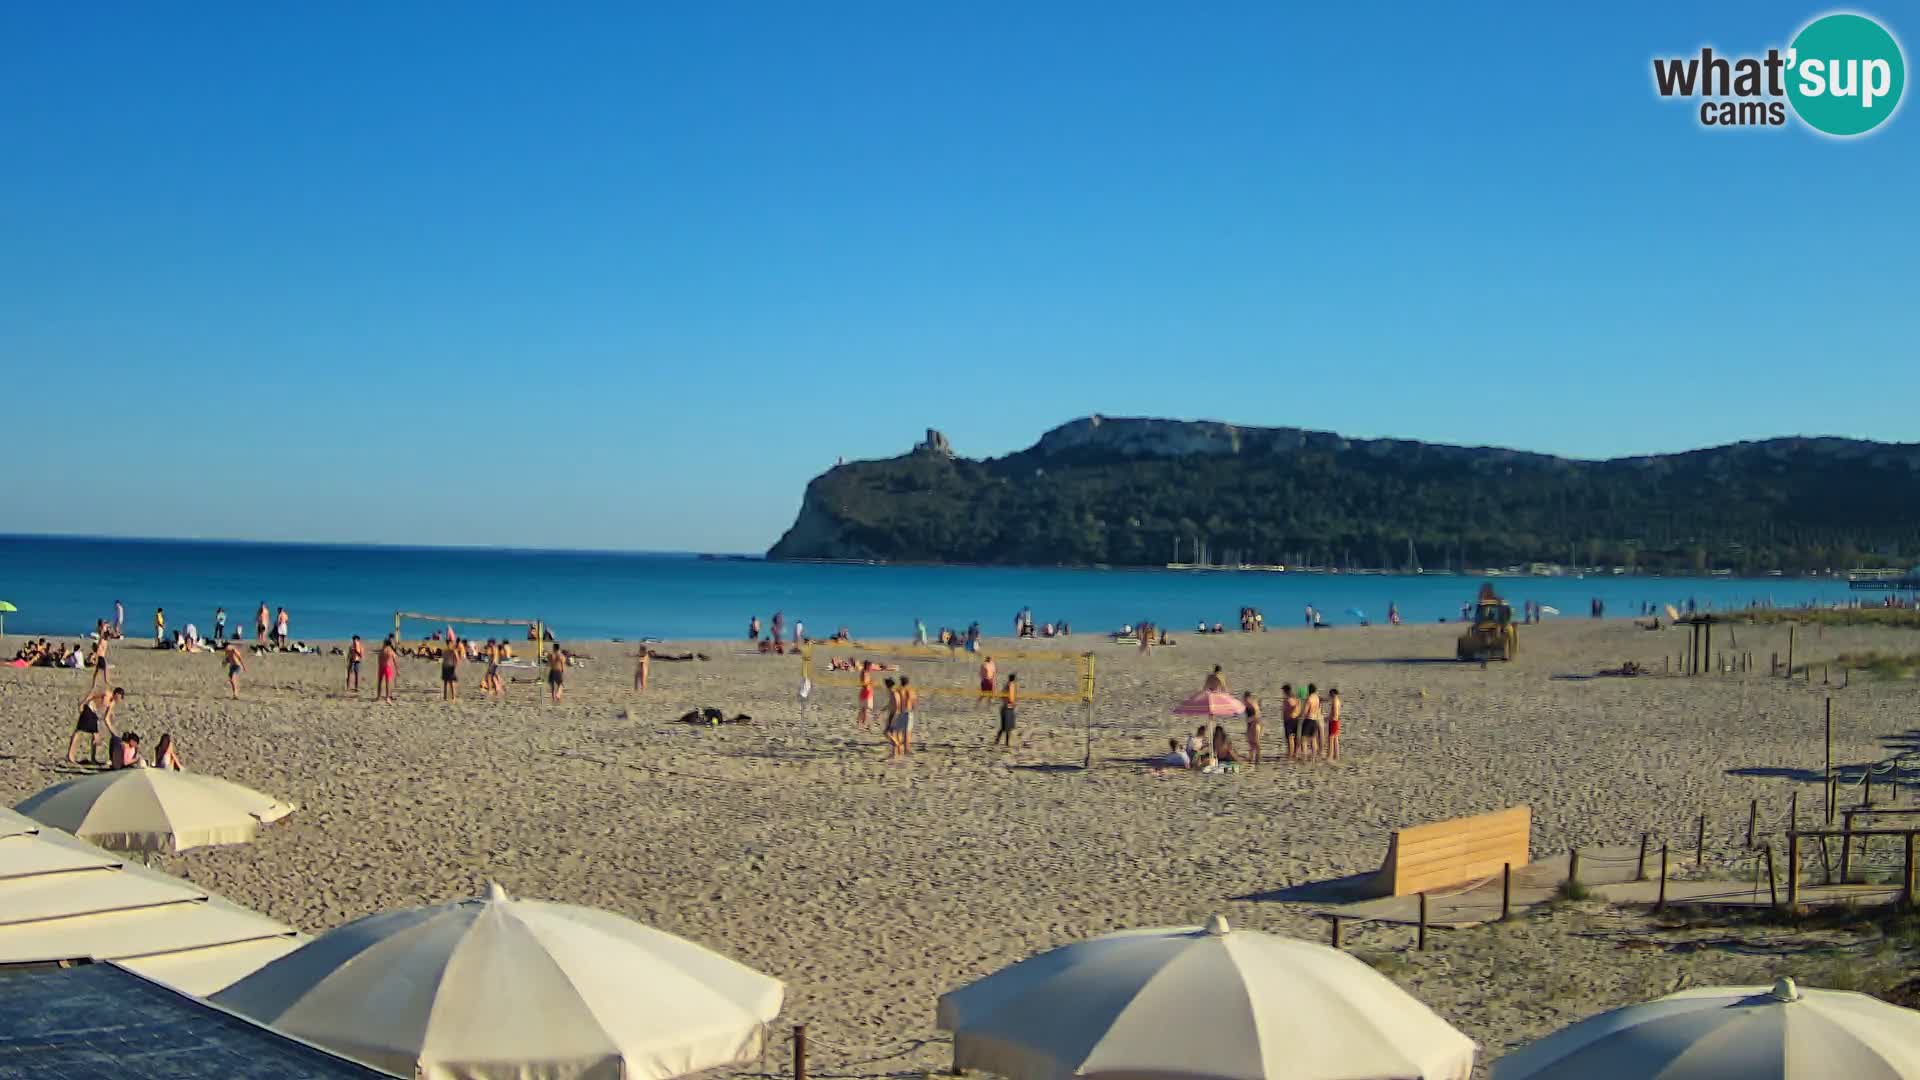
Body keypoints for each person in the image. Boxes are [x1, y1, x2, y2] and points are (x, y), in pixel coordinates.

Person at [68, 687, 124, 765]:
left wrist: (113, 733)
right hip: (89, 708)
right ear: (116, 694)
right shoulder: (107, 694)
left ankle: (93, 758)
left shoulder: (112, 703)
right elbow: (93, 694)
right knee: (79, 731)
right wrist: (83, 703)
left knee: (96, 736)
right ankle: (70, 756)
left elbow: (106, 719)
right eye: (118, 697)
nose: (118, 700)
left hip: (94, 714)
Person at [994, 673, 1018, 748]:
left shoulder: (1008, 685)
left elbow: (1003, 696)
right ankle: (1005, 742)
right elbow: (1010, 697)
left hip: (1006, 707)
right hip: (1008, 708)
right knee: (1007, 727)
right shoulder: (1010, 685)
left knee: (1005, 727)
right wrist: (1011, 703)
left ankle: (998, 741)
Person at [896, 675, 917, 756]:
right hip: (908, 712)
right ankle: (906, 749)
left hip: (899, 711)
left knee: (899, 731)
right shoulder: (910, 690)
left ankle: (899, 748)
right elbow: (914, 701)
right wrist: (914, 707)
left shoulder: (898, 690)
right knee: (907, 732)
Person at [882, 677, 901, 759]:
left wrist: (894, 717)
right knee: (892, 733)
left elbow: (897, 706)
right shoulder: (892, 692)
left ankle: (896, 744)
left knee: (886, 732)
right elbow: (890, 704)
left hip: (894, 715)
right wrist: (883, 709)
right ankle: (894, 754)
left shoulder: (894, 693)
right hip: (893, 714)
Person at [1303, 683, 1324, 758]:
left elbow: (1305, 711)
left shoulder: (1309, 698)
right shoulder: (1317, 698)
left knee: (1304, 739)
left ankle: (1304, 757)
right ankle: (1314, 757)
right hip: (1315, 719)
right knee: (1313, 739)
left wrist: (1302, 717)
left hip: (1309, 719)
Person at [1280, 682, 1300, 758]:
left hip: (1290, 720)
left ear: (1286, 690)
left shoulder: (1288, 699)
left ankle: (1291, 754)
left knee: (1290, 738)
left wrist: (1292, 713)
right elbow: (1298, 706)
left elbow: (1293, 707)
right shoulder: (1294, 697)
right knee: (1293, 737)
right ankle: (1294, 753)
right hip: (1294, 719)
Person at [1243, 691, 1263, 766]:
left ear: (1248, 697)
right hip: (1250, 724)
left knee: (1256, 741)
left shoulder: (1253, 704)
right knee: (1250, 741)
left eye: (1245, 698)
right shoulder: (1247, 704)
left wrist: (1250, 720)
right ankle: (1251, 758)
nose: (1245, 700)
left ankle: (1258, 759)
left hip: (1255, 724)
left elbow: (1258, 715)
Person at [377, 636, 398, 702]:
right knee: (388, 682)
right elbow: (395, 660)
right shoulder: (390, 651)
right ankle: (387, 697)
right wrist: (397, 669)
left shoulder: (382, 651)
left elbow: (379, 659)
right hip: (387, 666)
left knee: (380, 682)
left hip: (381, 667)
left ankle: (378, 696)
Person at [855, 661, 875, 729]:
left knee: (864, 709)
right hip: (866, 693)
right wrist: (871, 682)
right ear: (867, 666)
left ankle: (860, 723)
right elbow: (865, 684)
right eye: (870, 666)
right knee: (866, 709)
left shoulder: (865, 672)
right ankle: (864, 724)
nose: (871, 668)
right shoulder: (865, 673)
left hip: (865, 692)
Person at [1326, 688, 1343, 760]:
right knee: (1335, 739)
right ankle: (1336, 756)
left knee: (1331, 738)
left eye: (1330, 694)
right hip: (1336, 721)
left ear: (1333, 693)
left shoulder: (1335, 701)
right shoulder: (1337, 700)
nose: (1330, 696)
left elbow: (1335, 715)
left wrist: (1329, 719)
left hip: (1334, 722)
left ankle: (1330, 756)